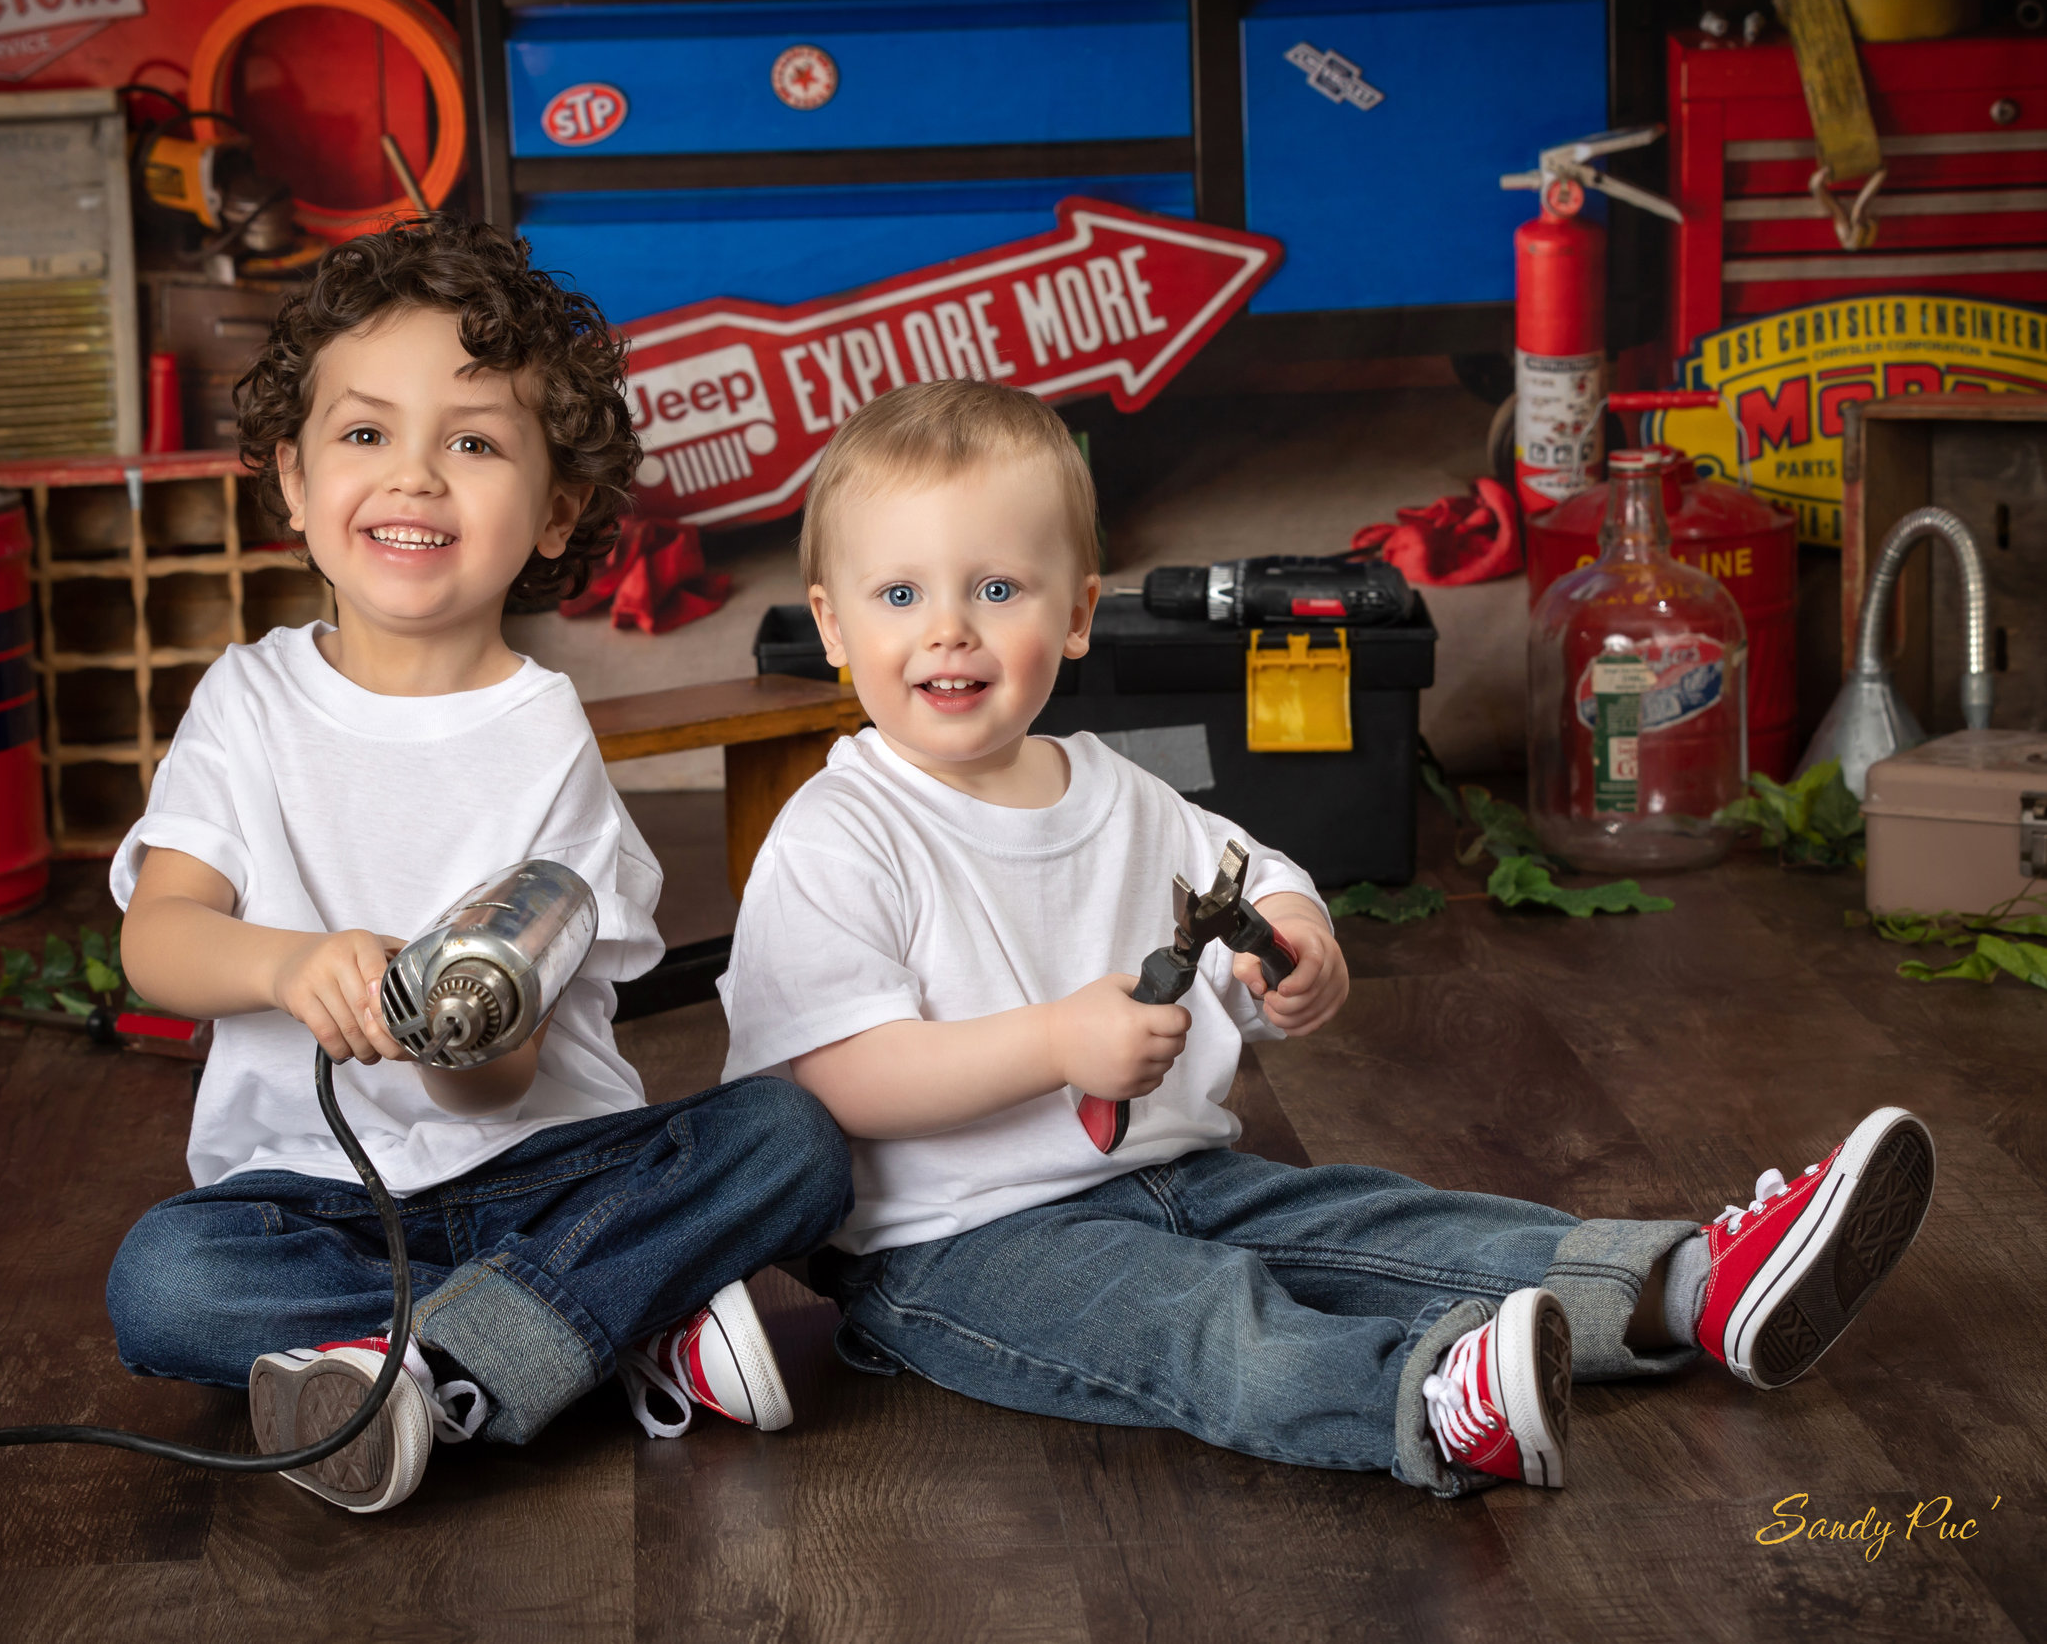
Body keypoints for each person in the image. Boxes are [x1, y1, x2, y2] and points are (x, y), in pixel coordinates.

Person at [717, 379, 1935, 1496]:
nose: (949, 631)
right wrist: (1052, 1042)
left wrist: (1296, 934)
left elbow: (1251, 875)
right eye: (899, 595)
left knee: (1382, 1222)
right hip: (958, 1245)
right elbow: (839, 1077)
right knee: (1198, 1316)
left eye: (996, 589)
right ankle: (1422, 1395)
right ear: (831, 625)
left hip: (1181, 1173)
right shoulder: (838, 834)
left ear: (1079, 611)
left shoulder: (1118, 790)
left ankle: (1693, 1286)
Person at [106, 218, 852, 1514]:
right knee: (164, 1277)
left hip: (536, 1176)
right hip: (316, 1202)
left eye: (472, 440)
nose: (414, 476)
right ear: (290, 477)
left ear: (556, 503)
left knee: (794, 1134)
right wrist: (290, 966)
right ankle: (617, 1323)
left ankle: (433, 1372)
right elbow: (158, 938)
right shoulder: (248, 702)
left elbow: (506, 1078)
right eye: (364, 433)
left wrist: (460, 1031)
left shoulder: (542, 741)